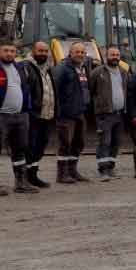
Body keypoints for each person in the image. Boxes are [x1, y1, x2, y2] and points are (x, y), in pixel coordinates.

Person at [0, 40, 35, 194]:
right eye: (6, 50)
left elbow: (25, 89)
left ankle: (21, 182)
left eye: (12, 51)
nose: (9, 54)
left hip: (20, 116)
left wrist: (26, 108)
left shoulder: (19, 68)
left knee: (20, 149)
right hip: (0, 117)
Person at [89, 46, 132, 180]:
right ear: (106, 56)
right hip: (104, 114)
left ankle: (111, 167)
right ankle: (103, 170)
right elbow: (91, 90)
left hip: (119, 113)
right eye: (112, 55)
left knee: (116, 142)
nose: (115, 57)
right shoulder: (97, 72)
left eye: (117, 55)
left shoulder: (124, 72)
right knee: (104, 142)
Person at [52, 41, 92, 183]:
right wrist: (59, 110)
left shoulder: (83, 68)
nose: (80, 54)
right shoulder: (62, 68)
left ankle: (72, 171)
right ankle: (62, 174)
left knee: (78, 143)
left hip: (80, 111)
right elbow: (55, 90)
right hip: (66, 113)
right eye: (77, 52)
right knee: (65, 144)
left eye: (82, 52)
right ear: (70, 53)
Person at [18, 40, 54, 188]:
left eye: (45, 51)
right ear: (33, 51)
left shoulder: (48, 68)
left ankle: (33, 175)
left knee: (40, 146)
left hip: (47, 114)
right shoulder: (26, 67)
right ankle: (25, 177)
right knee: (30, 147)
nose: (43, 54)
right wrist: (29, 109)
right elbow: (23, 90)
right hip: (33, 115)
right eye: (40, 51)